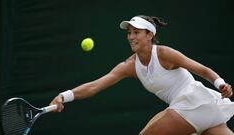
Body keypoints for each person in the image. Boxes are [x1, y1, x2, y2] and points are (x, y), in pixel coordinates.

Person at [50, 15, 234, 135]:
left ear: (149, 35)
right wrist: (63, 96)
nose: (131, 37)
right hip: (201, 110)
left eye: (136, 32)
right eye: (129, 33)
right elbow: (94, 86)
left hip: (192, 103)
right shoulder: (129, 66)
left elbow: (201, 70)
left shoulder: (163, 53)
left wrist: (220, 84)